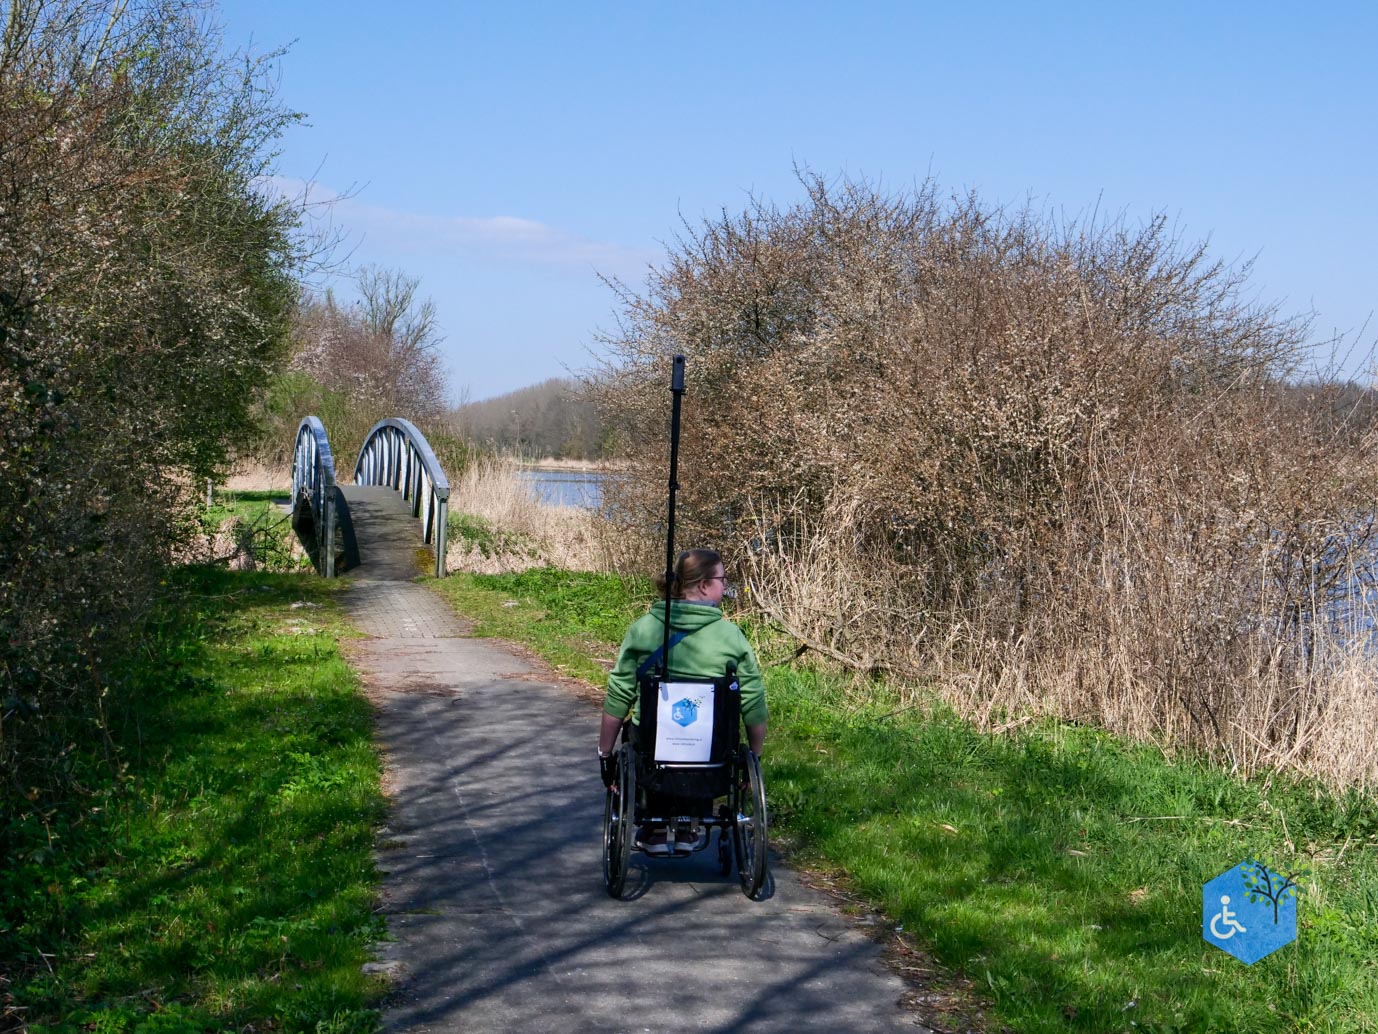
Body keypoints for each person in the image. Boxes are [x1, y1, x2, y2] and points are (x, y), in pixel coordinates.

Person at [598, 548, 766, 855]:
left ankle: (654, 825)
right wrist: (755, 756)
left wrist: (604, 752)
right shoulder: (732, 637)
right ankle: (690, 824)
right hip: (712, 760)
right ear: (704, 585)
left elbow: (620, 693)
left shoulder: (644, 630)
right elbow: (753, 702)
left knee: (639, 734)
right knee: (706, 735)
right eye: (722, 579)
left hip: (653, 753)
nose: (724, 586)